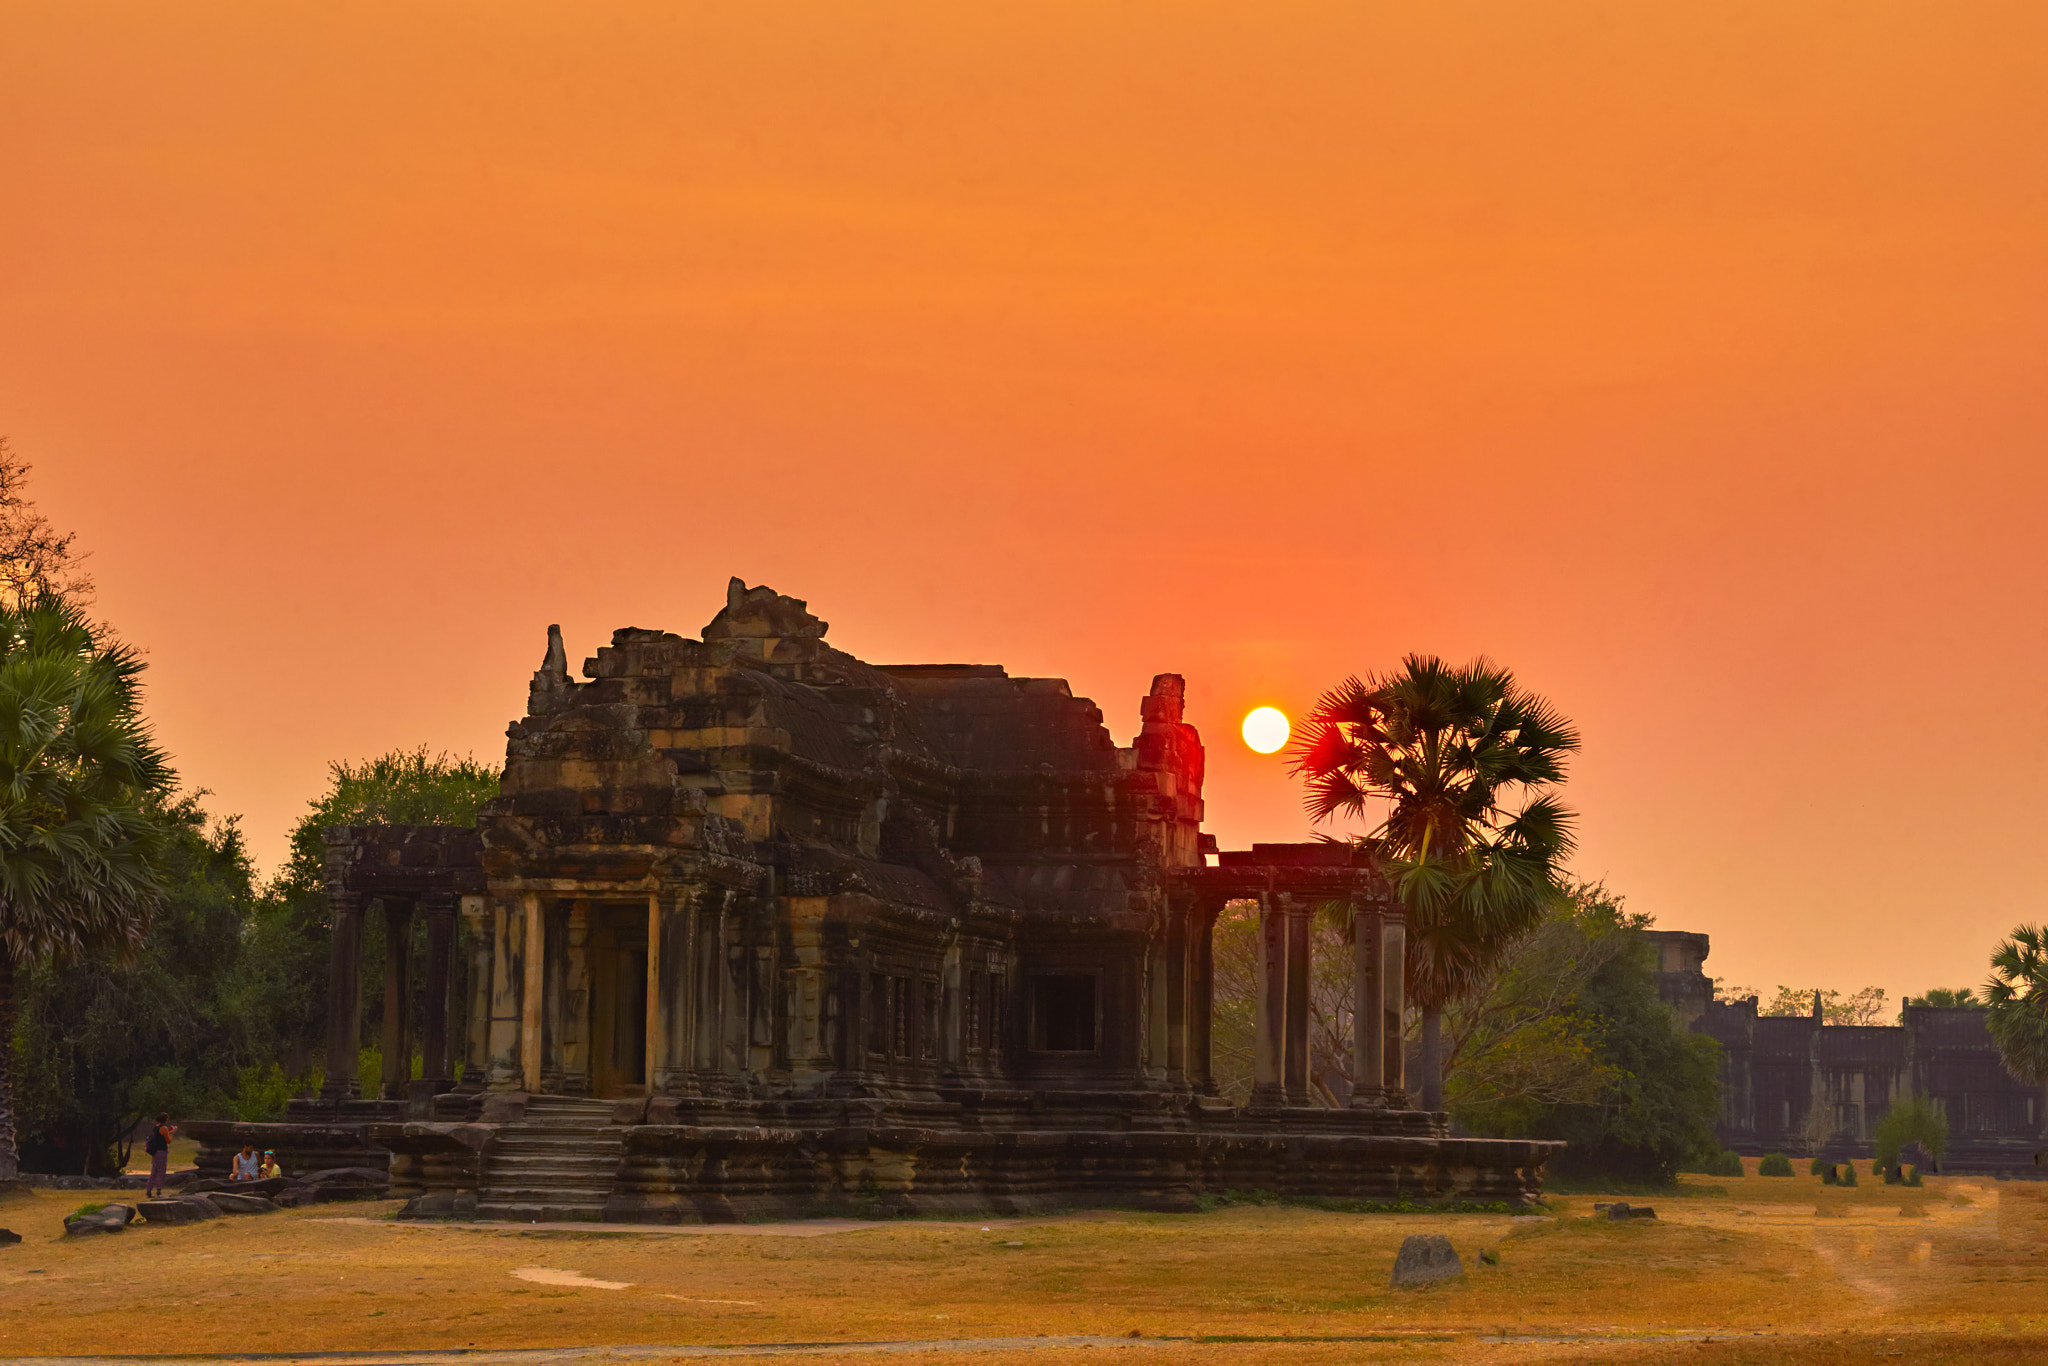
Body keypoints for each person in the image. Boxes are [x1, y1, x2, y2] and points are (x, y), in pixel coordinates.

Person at [143, 1114, 176, 1198]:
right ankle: (158, 1189)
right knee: (161, 1170)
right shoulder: (164, 1128)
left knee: (154, 1170)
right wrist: (172, 1132)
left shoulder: (155, 1128)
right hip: (161, 1152)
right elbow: (168, 1141)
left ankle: (149, 1190)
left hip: (155, 1152)